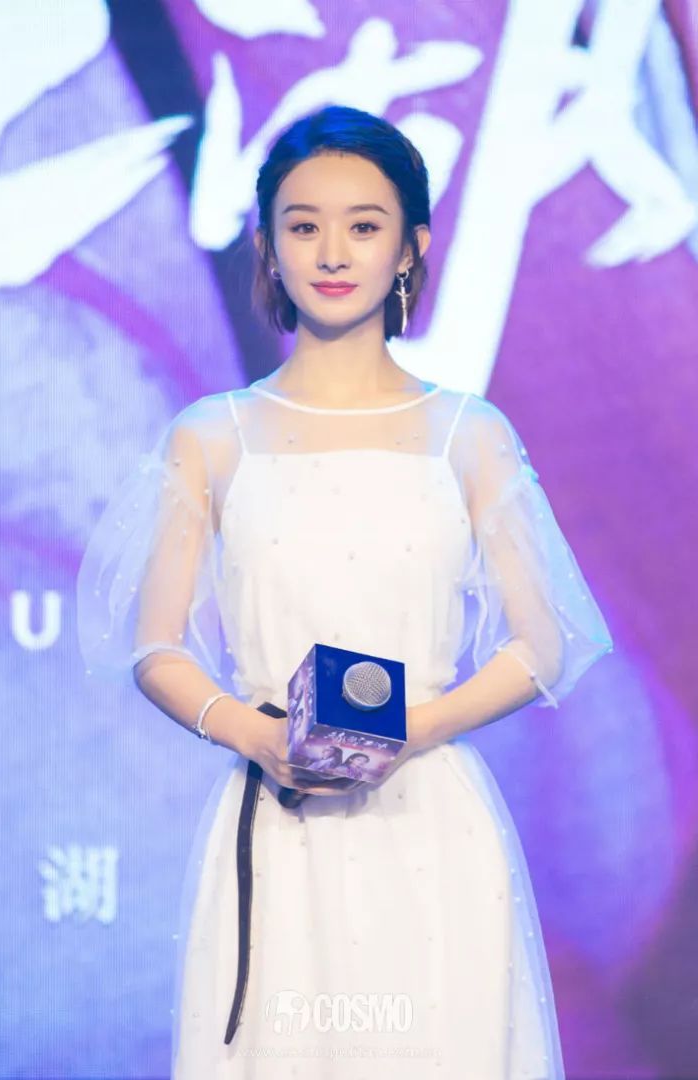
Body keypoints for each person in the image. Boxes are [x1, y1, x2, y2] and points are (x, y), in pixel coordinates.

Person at [76, 104, 613, 1077]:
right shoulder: (212, 435)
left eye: (364, 225)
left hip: (430, 818)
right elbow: (154, 644)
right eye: (303, 224)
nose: (332, 252)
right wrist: (255, 737)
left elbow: (544, 644)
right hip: (277, 818)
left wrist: (413, 729)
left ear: (410, 248)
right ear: (267, 247)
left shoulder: (469, 434)